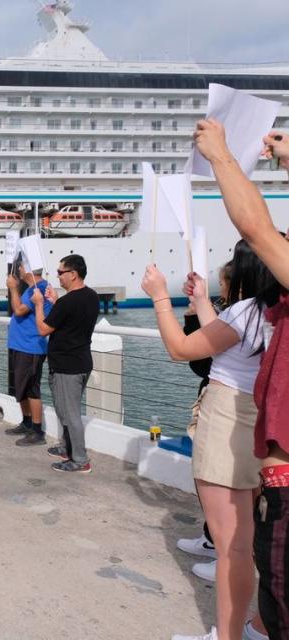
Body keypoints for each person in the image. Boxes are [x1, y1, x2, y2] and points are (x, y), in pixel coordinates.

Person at [143, 242, 279, 640]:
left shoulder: (245, 311)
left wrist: (160, 298)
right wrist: (203, 300)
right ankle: (258, 626)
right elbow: (227, 340)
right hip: (259, 419)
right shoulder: (270, 315)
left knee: (231, 547)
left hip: (227, 421)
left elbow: (180, 349)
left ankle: (227, 636)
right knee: (251, 538)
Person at [193, 119, 289, 640]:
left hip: (274, 455)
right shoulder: (261, 312)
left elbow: (256, 228)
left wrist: (222, 157)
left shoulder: (252, 311)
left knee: (256, 556)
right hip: (270, 454)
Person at [176, 261, 233, 584]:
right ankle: (213, 539)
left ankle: (227, 554)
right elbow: (200, 363)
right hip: (213, 401)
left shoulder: (242, 317)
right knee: (208, 479)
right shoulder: (233, 313)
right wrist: (192, 316)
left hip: (230, 410)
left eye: (224, 283)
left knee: (223, 484)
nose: (220, 288)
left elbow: (186, 353)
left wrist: (159, 300)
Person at [30, 254, 99, 473]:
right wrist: (55, 302)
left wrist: (40, 304)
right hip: (81, 362)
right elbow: (71, 317)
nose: (58, 276)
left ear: (73, 274)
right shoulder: (91, 296)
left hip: (67, 366)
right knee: (65, 410)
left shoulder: (68, 301)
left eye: (61, 272)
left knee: (70, 414)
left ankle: (80, 460)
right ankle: (67, 447)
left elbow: (43, 329)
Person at [4, 262, 52, 446]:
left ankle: (37, 431)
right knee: (20, 387)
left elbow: (19, 310)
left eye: (22, 267)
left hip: (31, 347)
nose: (19, 270)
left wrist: (13, 288)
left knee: (31, 387)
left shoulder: (39, 289)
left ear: (30, 270)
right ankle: (27, 422)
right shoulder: (32, 288)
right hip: (20, 345)